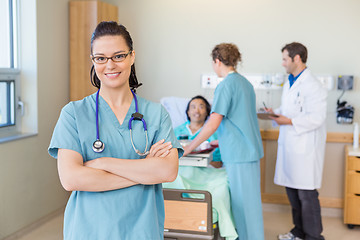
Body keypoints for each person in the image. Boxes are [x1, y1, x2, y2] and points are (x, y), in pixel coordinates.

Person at [48, 21, 183, 240]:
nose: (110, 65)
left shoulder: (157, 114)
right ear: (93, 61)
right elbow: (71, 179)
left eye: (118, 56)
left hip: (142, 230)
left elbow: (167, 172)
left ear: (132, 56)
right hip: (89, 230)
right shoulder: (74, 113)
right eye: (100, 58)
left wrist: (103, 163)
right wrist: (145, 170)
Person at [183, 43, 264, 240]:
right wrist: (222, 142)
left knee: (243, 205)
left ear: (217, 61)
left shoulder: (226, 85)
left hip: (239, 154)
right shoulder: (245, 84)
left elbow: (212, 123)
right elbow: (240, 120)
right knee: (251, 203)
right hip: (248, 150)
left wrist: (189, 147)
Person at [267, 42, 327, 240]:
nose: (283, 63)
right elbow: (291, 109)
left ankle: (313, 236)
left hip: (305, 149)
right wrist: (275, 113)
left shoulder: (313, 85)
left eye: (285, 59)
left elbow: (317, 118)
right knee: (293, 194)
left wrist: (289, 121)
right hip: (291, 147)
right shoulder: (291, 81)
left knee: (306, 196)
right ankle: (299, 232)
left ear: (297, 58)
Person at [174, 95, 222, 168]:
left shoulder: (213, 134)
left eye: (201, 107)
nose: (197, 111)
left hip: (204, 171)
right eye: (193, 107)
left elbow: (218, 163)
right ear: (188, 112)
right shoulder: (175, 132)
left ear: (207, 112)